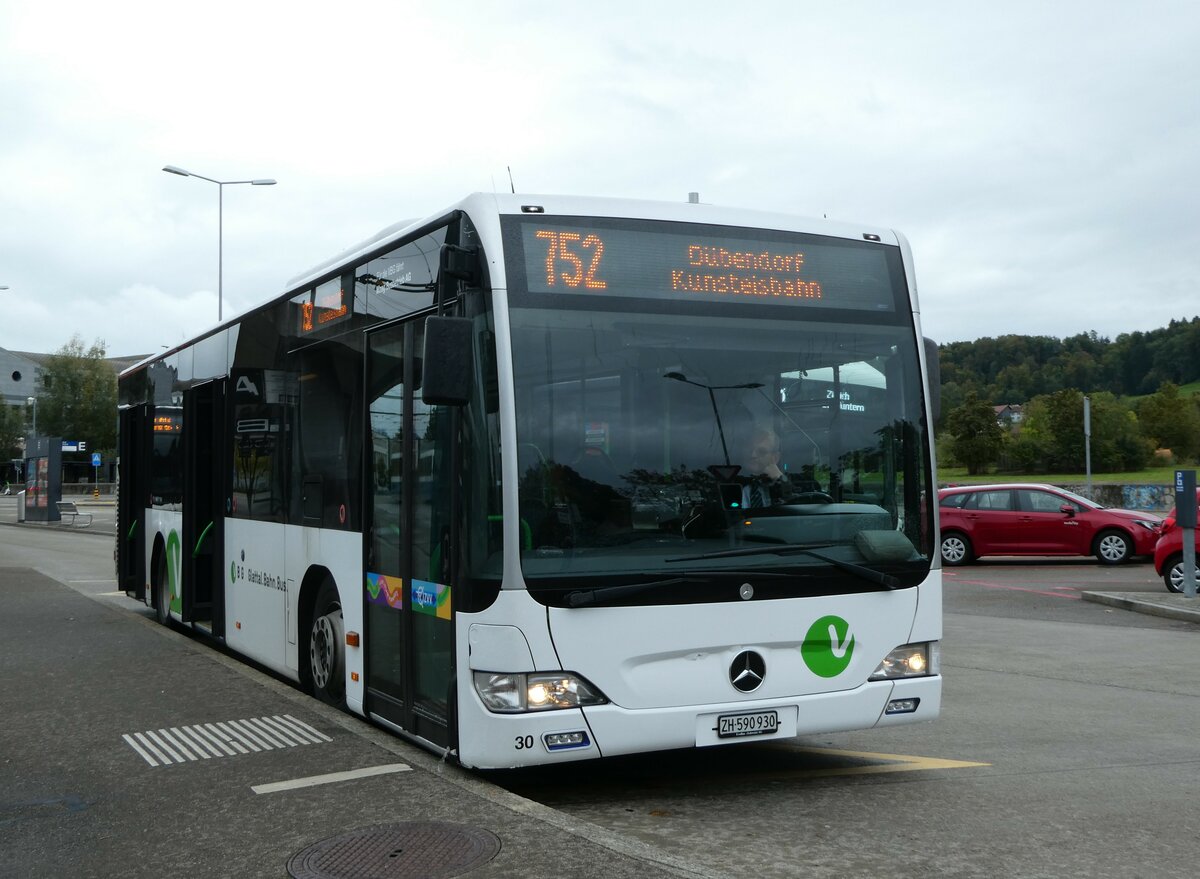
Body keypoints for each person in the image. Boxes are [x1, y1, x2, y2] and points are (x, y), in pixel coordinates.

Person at [741, 426, 787, 508]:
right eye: (749, 450)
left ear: (775, 458)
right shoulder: (728, 481)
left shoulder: (781, 485)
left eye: (761, 452)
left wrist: (779, 480)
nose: (753, 455)